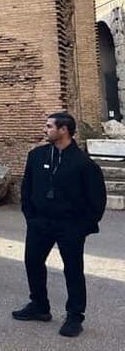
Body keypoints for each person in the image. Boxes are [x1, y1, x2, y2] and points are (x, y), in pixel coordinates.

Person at [12, 112, 107, 338]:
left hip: (70, 225)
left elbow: (97, 199)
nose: (45, 130)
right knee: (32, 261)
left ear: (63, 130)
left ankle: (75, 315)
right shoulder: (37, 155)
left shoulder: (83, 163)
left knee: (73, 269)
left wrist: (83, 225)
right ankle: (39, 306)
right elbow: (27, 188)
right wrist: (30, 216)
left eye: (49, 126)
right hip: (40, 222)